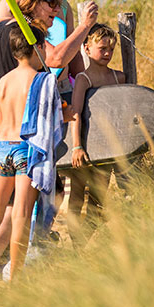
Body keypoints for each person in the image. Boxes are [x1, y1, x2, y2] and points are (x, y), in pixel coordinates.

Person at [0, 0, 98, 215]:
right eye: (50, 2)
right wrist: (85, 26)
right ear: (32, 3)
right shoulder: (24, 32)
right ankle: (13, 252)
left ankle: (23, 248)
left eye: (58, 4)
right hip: (10, 137)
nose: (56, 9)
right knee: (11, 213)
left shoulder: (16, 28)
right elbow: (56, 59)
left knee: (5, 212)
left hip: (6, 133)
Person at [0, 24, 66, 288]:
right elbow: (50, 120)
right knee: (21, 212)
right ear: (38, 47)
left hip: (2, 147)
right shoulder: (42, 80)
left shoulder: (3, 80)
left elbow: (0, 116)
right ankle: (15, 281)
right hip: (25, 148)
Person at [66, 23, 124, 241]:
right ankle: (75, 244)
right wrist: (77, 146)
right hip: (86, 147)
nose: (107, 53)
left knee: (99, 199)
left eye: (111, 49)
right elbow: (76, 113)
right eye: (102, 48)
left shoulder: (119, 77)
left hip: (107, 150)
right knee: (77, 196)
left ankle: (84, 241)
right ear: (87, 49)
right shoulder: (83, 79)